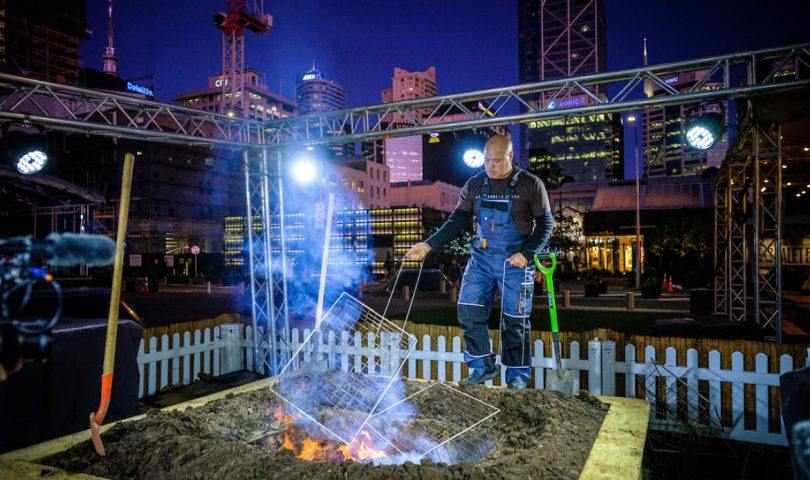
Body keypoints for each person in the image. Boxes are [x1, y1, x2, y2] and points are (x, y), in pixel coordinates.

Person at [405, 134, 553, 390]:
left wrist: (527, 254)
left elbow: (546, 224)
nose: (490, 166)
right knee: (468, 310)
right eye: (486, 161)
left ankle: (516, 375)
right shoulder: (475, 184)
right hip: (482, 261)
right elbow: (456, 222)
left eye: (496, 161)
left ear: (510, 157)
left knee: (515, 321)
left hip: (515, 262)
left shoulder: (530, 184)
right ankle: (482, 365)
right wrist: (427, 245)